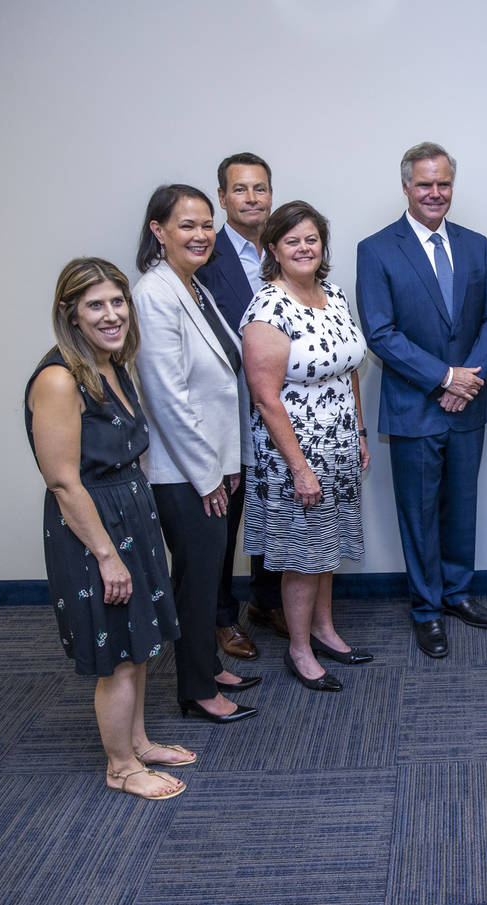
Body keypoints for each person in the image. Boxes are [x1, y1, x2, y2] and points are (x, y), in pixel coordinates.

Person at [26, 257, 191, 799]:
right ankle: (121, 767)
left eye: (117, 301)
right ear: (69, 313)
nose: (111, 314)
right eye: (95, 304)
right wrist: (106, 555)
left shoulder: (113, 365)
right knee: (117, 652)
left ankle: (137, 742)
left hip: (129, 516)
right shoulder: (58, 378)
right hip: (91, 528)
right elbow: (64, 483)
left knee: (138, 642)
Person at [356, 142, 487, 659]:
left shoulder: (476, 244)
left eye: (443, 183)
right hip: (413, 407)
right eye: (425, 184)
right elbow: (380, 333)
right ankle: (426, 609)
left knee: (461, 507)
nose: (435, 193)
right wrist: (445, 378)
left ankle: (457, 593)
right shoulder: (376, 249)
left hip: (469, 405)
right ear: (405, 187)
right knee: (418, 514)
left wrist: (468, 381)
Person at [133, 184, 259, 724]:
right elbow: (167, 398)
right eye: (187, 225)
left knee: (209, 575)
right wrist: (210, 477)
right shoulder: (153, 294)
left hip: (213, 464)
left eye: (206, 224)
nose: (202, 234)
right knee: (195, 578)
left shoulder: (194, 287)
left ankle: (207, 666)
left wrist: (226, 468)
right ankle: (198, 691)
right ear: (158, 231)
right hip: (184, 472)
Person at [242, 200, 371, 691]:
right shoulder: (267, 307)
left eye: (311, 239)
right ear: (273, 247)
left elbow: (348, 369)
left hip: (339, 444)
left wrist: (358, 430)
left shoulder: (333, 294)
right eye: (292, 240)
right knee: (302, 554)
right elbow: (266, 398)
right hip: (294, 453)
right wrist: (299, 468)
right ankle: (299, 650)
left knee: (327, 544)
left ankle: (323, 629)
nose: (303, 247)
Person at [196, 152, 286, 655]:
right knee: (224, 522)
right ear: (223, 197)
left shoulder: (283, 249)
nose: (252, 199)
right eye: (240, 190)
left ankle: (267, 600)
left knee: (275, 508)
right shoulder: (204, 257)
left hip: (279, 410)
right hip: (226, 412)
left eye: (260, 189)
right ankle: (220, 617)